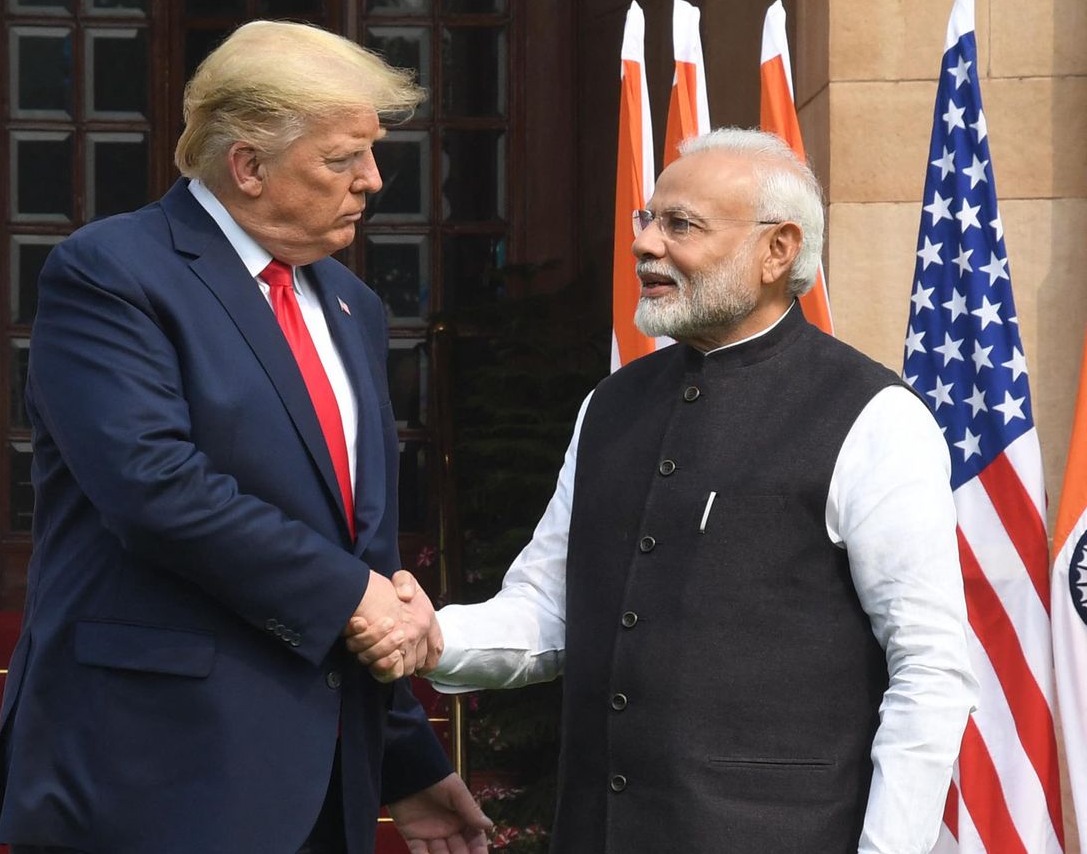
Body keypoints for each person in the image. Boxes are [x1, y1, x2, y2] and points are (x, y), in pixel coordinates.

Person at [350, 128, 977, 853]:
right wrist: (429, 634)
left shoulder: (875, 416)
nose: (646, 245)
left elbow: (928, 666)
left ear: (778, 250)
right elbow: (550, 610)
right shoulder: (610, 405)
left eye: (680, 224)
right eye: (647, 221)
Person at [0, 20, 489, 854]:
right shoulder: (110, 272)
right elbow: (155, 487)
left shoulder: (352, 307)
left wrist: (406, 757)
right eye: (342, 158)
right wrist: (352, 594)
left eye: (370, 152)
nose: (371, 180)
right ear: (247, 165)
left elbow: (358, 552)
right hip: (151, 780)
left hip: (321, 787)